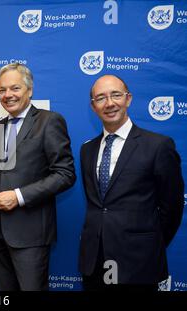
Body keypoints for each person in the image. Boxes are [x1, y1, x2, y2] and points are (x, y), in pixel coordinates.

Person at [79, 74, 184, 291]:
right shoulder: (87, 150)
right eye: (100, 98)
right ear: (93, 106)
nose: (109, 103)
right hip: (94, 261)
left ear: (128, 99)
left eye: (116, 95)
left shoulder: (158, 146)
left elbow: (172, 207)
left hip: (138, 263)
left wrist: (148, 243)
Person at [0, 63, 76, 291]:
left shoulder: (49, 121)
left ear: (29, 90)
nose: (8, 95)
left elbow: (65, 174)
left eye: (15, 88)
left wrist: (18, 196)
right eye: (2, 90)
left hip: (30, 234)